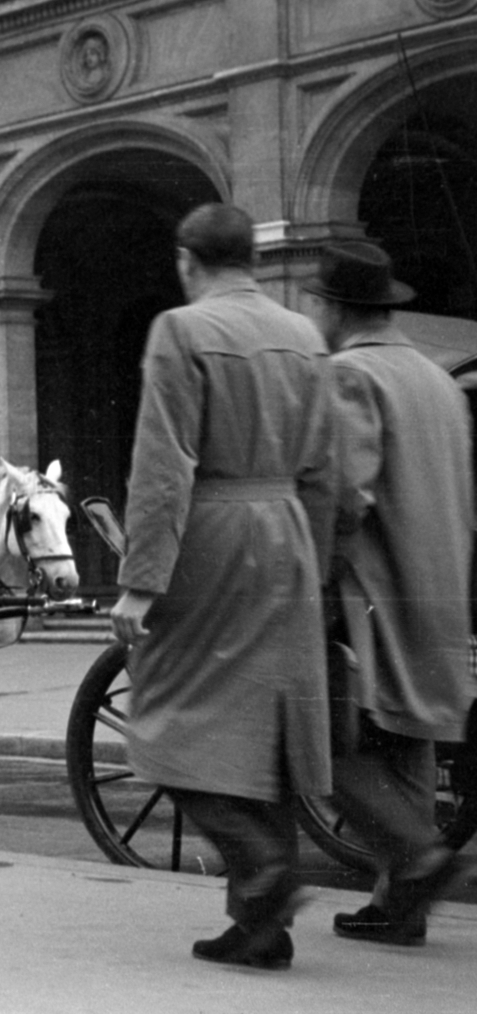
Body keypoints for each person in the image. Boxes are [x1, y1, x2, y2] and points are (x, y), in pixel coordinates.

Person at [110, 203, 337, 970]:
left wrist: (142, 581)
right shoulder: (305, 334)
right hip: (290, 535)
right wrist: (320, 559)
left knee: (168, 720)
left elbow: (164, 464)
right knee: (263, 733)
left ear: (187, 259)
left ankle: (265, 872)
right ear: (252, 257)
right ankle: (259, 926)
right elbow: (327, 468)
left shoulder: (183, 330)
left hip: (212, 534)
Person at [304, 241, 476, 946]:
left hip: (375, 589)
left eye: (317, 301)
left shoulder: (351, 373)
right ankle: (396, 902)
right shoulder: (436, 379)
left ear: (339, 307)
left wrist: (314, 578)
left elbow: (345, 495)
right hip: (439, 582)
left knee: (314, 731)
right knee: (410, 740)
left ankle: (415, 858)